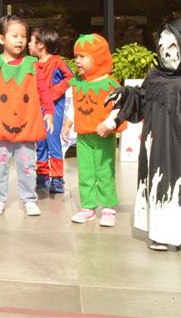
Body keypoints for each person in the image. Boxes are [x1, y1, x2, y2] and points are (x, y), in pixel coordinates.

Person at [105, 11, 181, 252]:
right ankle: (157, 233)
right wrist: (125, 94)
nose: (166, 52)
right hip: (155, 145)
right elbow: (142, 99)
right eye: (162, 47)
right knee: (156, 185)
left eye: (173, 46)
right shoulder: (155, 77)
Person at [0, 15, 52, 217]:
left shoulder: (32, 64)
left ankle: (29, 199)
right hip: (1, 126)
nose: (20, 40)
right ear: (1, 38)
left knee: (28, 166)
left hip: (26, 127)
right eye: (15, 36)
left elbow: (44, 90)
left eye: (23, 36)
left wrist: (50, 111)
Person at [62, 33, 124, 227]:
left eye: (83, 56)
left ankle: (108, 208)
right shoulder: (78, 83)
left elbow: (118, 109)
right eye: (76, 56)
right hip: (83, 137)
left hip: (103, 137)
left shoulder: (110, 85)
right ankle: (88, 207)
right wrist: (67, 123)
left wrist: (109, 124)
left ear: (97, 58)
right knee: (86, 172)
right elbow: (76, 106)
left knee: (105, 172)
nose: (77, 61)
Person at [29, 27, 73, 194]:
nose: (28, 44)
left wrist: (53, 93)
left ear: (41, 44)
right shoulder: (32, 64)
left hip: (53, 108)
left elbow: (70, 77)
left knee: (53, 141)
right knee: (40, 142)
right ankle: (42, 175)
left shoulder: (56, 62)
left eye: (31, 41)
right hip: (37, 108)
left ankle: (57, 178)